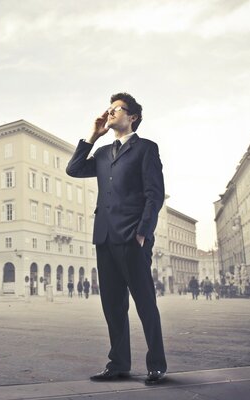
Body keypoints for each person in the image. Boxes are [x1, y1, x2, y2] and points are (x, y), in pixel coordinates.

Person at [66, 92, 167, 386]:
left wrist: (143, 233)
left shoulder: (146, 148)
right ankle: (119, 363)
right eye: (108, 110)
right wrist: (92, 136)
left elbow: (154, 194)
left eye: (116, 109)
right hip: (105, 236)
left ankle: (157, 365)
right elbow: (73, 169)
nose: (110, 113)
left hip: (132, 236)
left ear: (132, 116)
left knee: (145, 302)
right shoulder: (101, 154)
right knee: (112, 305)